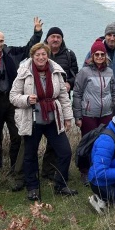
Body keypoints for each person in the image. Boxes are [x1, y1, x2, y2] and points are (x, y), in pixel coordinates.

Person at [10, 43, 78, 202]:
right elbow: (13, 96)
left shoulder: (56, 71)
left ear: (48, 55)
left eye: (43, 54)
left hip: (53, 119)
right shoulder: (24, 72)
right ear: (32, 56)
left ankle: (60, 185)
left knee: (65, 152)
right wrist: (26, 99)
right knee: (30, 155)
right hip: (32, 119)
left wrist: (68, 118)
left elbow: (63, 96)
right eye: (37, 55)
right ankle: (33, 188)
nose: (41, 57)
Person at [0, 17, 42, 188]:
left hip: (11, 100)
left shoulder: (9, 53)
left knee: (17, 134)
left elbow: (27, 49)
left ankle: (15, 167)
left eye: (1, 41)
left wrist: (37, 34)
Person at [41, 27, 78, 180]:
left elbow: (75, 74)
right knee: (34, 137)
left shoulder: (69, 55)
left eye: (58, 37)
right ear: (47, 39)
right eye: (53, 36)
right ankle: (30, 172)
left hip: (61, 102)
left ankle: (53, 170)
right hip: (41, 103)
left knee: (57, 135)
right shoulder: (41, 54)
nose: (55, 39)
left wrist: (69, 83)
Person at [73, 39, 115, 136]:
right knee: (89, 143)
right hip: (89, 116)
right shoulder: (84, 72)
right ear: (92, 55)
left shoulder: (110, 72)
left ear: (105, 56)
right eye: (97, 54)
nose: (100, 57)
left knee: (105, 141)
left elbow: (113, 93)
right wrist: (78, 117)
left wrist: (114, 111)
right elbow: (77, 94)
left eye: (102, 54)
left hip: (107, 114)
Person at [85, 22, 115, 102]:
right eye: (109, 35)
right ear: (105, 36)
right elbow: (85, 74)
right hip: (98, 101)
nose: (112, 38)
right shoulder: (95, 52)